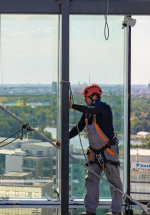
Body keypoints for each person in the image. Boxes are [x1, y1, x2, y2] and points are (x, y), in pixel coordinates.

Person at [56, 84, 123, 215]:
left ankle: (116, 212)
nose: (84, 100)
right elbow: (79, 127)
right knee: (91, 180)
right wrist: (65, 138)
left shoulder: (104, 108)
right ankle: (90, 211)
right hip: (94, 152)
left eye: (86, 98)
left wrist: (72, 106)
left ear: (94, 97)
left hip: (108, 150)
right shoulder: (87, 113)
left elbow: (94, 110)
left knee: (114, 181)